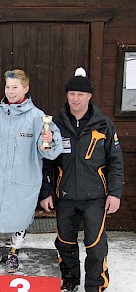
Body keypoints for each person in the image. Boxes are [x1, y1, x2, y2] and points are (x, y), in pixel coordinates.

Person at [39, 67, 124, 292]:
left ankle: (95, 285)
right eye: (71, 94)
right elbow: (47, 162)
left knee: (95, 246)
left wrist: (114, 193)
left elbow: (115, 162)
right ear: (67, 96)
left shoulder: (104, 125)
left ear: (89, 97)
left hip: (95, 197)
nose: (75, 99)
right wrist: (46, 192)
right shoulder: (55, 124)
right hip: (65, 196)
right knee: (65, 243)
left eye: (80, 94)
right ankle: (70, 280)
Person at [0, 69, 63, 273]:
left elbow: (51, 152)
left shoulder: (37, 117)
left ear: (26, 89)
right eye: (8, 87)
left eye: (15, 87)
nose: (11, 92)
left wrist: (48, 142)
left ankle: (13, 252)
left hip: (24, 180)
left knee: (20, 219)